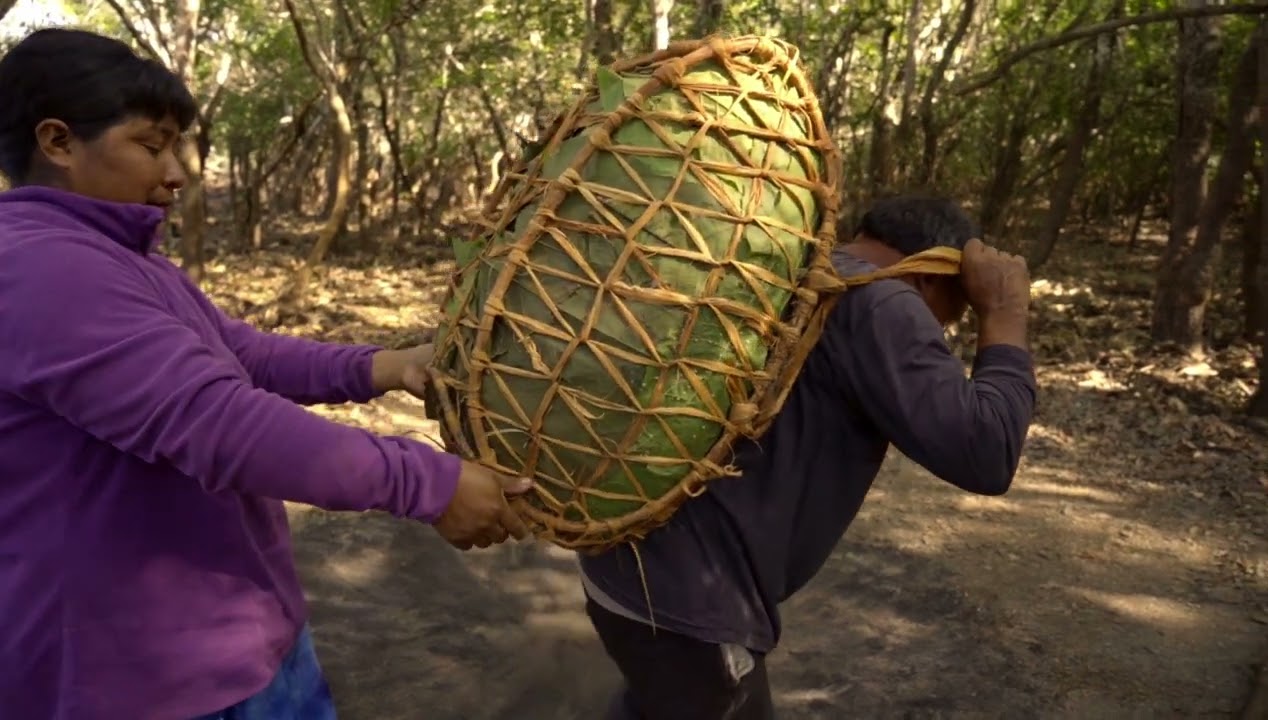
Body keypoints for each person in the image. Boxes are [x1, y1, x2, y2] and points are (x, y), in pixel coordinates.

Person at [0, 28, 531, 719]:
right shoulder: (38, 267)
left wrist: (384, 366)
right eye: (152, 146)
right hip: (148, 683)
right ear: (59, 142)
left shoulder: (119, 258)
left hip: (241, 645)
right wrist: (429, 483)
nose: (176, 172)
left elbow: (238, 353)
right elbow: (216, 422)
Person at [577, 196, 1038, 719]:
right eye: (944, 323)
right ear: (931, 276)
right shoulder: (884, 300)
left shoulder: (802, 271)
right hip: (691, 605)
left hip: (625, 566)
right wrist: (1005, 314)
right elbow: (986, 452)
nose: (937, 337)